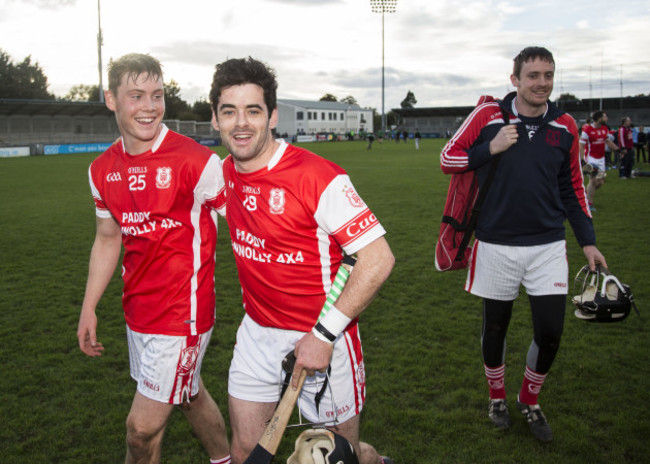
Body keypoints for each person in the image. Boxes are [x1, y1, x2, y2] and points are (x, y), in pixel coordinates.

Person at [209, 57, 395, 464]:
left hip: (324, 336)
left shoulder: (316, 176)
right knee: (244, 450)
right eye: (229, 111)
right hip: (257, 333)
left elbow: (378, 258)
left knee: (336, 457)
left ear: (272, 116)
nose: (241, 123)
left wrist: (324, 336)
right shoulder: (221, 174)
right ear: (215, 119)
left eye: (253, 110)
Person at [440, 46, 607, 443]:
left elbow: (572, 189)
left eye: (548, 75)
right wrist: (490, 148)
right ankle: (497, 397)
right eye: (533, 75)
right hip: (495, 243)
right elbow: (448, 158)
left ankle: (529, 399)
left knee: (550, 331)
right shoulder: (488, 116)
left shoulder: (565, 125)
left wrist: (588, 241)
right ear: (514, 79)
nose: (542, 83)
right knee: (495, 327)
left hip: (547, 245)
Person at [76, 53, 231, 464]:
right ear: (111, 99)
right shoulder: (101, 169)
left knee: (141, 431)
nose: (149, 106)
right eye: (136, 95)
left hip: (184, 314)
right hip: (138, 313)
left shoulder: (196, 161)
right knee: (188, 394)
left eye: (158, 95)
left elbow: (246, 220)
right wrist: (89, 307)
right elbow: (108, 239)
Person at [579, 111, 619, 211]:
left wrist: (618, 150)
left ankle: (584, 195)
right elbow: (581, 145)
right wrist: (582, 160)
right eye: (605, 117)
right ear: (599, 118)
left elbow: (608, 141)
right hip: (591, 160)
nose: (607, 118)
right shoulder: (587, 130)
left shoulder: (605, 129)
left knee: (600, 182)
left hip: (601, 160)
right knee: (593, 180)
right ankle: (589, 203)